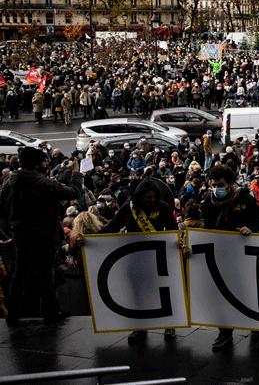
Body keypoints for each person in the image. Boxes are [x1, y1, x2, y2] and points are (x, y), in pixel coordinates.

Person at [87, 177, 178, 343]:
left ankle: (169, 324)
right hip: (134, 259)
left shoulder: (163, 207)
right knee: (138, 294)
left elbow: (173, 229)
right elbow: (113, 227)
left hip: (158, 257)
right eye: (147, 198)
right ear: (139, 196)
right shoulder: (128, 208)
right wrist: (90, 239)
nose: (151, 200)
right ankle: (139, 327)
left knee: (164, 292)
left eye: (154, 198)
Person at [1, 147, 83, 325]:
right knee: (46, 274)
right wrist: (76, 173)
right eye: (45, 161)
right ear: (37, 164)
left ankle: (13, 313)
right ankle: (51, 312)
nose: (47, 164)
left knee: (20, 273)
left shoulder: (10, 181)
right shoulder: (43, 183)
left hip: (21, 235)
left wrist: (13, 227)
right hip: (43, 236)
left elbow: (3, 207)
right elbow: (73, 193)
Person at [199, 165, 259, 350]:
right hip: (219, 255)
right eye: (214, 185)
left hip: (243, 254)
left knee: (247, 290)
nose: (217, 188)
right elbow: (205, 228)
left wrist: (250, 229)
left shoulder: (245, 198)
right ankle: (225, 333)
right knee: (222, 293)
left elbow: (258, 221)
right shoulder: (207, 201)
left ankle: (257, 326)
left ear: (229, 183)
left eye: (220, 184)